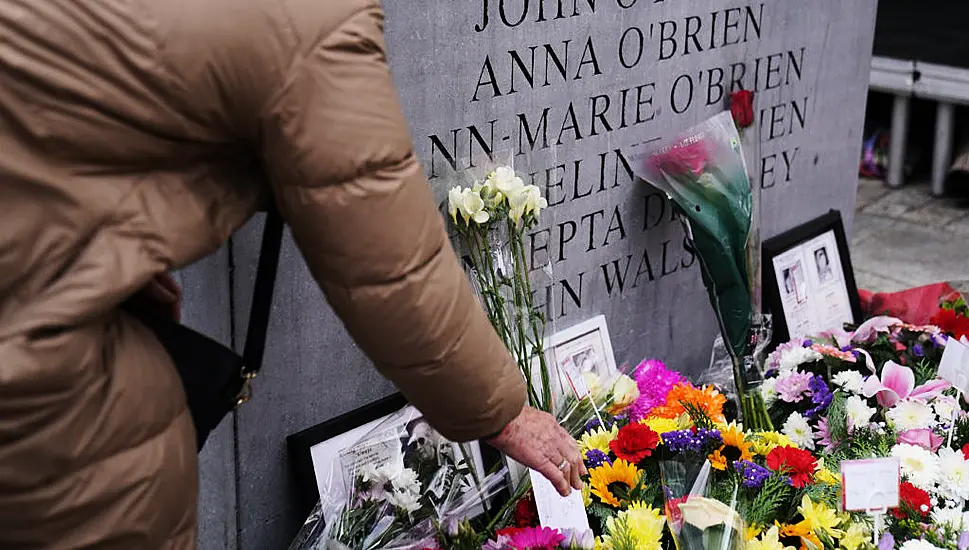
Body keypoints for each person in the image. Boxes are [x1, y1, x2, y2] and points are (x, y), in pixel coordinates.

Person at [0, 0, 583, 548]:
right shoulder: (307, 15)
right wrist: (498, 411)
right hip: (45, 389)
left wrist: (109, 262)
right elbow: (390, 259)